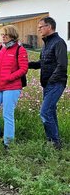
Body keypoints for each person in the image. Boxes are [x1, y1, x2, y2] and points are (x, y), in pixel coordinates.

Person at [28, 17, 67, 150]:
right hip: (48, 84)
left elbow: (62, 65)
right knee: (51, 112)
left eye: (40, 27)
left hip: (56, 83)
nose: (38, 30)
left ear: (49, 27)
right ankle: (55, 141)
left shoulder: (59, 42)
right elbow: (42, 63)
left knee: (45, 112)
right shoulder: (46, 44)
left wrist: (51, 80)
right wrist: (26, 65)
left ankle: (54, 143)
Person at [0, 25, 28, 149]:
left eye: (6, 34)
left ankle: (8, 142)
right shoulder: (0, 48)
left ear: (12, 36)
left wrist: (9, 78)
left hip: (12, 87)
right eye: (2, 34)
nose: (3, 37)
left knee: (7, 114)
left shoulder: (20, 50)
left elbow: (23, 69)